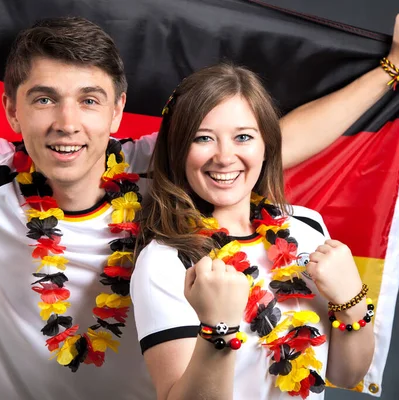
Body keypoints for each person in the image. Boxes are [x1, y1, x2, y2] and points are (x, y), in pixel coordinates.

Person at [0, 0, 399, 399]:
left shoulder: (161, 167)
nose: (66, 123)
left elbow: (277, 140)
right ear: (11, 109)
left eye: (89, 99)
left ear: (118, 111)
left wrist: (395, 67)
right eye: (44, 98)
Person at [132, 63, 374, 400]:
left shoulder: (307, 226)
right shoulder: (165, 262)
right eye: (203, 138)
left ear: (266, 146)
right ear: (178, 151)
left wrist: (353, 303)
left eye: (243, 136)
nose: (224, 156)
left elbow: (346, 376)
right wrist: (218, 329)